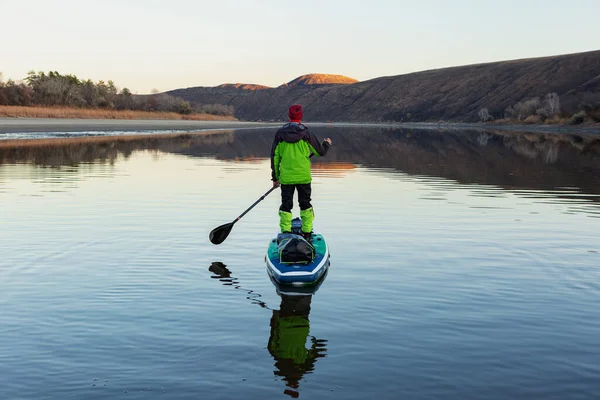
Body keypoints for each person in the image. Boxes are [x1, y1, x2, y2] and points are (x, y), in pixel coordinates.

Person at [270, 104, 332, 240]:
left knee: (286, 205)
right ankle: (307, 232)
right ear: (300, 116)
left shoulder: (280, 134)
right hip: (303, 177)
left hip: (286, 177)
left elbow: (275, 157)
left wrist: (275, 178)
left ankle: (285, 232)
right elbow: (320, 152)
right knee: (305, 203)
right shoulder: (307, 133)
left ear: (289, 116)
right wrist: (326, 144)